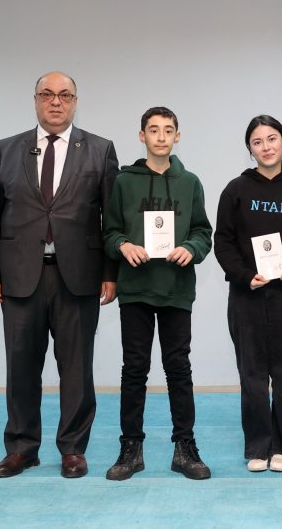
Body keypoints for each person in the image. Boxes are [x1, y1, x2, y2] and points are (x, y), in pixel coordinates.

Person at [0, 71, 119, 479]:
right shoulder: (7, 149)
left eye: (65, 95)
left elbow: (112, 219)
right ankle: (22, 448)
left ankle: (73, 449)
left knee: (76, 369)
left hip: (79, 276)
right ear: (35, 100)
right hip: (20, 276)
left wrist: (111, 274)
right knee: (21, 366)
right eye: (47, 94)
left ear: (75, 101)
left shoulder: (100, 149)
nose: (56, 102)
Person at [102, 107, 213, 481]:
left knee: (178, 368)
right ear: (142, 136)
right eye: (153, 130)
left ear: (177, 136)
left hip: (176, 288)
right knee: (134, 369)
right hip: (135, 288)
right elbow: (109, 232)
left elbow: (202, 232)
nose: (161, 136)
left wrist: (191, 248)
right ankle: (130, 448)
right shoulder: (124, 182)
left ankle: (185, 447)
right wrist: (123, 245)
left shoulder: (191, 182)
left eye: (168, 130)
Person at [214, 115, 282, 473]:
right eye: (257, 142)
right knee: (253, 376)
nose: (266, 147)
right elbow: (223, 242)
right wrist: (244, 276)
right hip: (247, 296)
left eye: (272, 138)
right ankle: (258, 447)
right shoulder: (235, 190)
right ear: (250, 148)